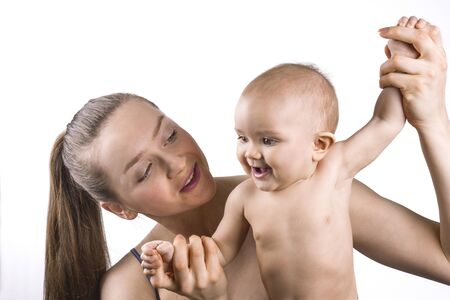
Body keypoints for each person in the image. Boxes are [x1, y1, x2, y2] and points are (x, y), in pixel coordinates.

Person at [44, 16, 450, 300]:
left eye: (169, 135)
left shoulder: (304, 187)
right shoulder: (134, 286)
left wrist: (431, 119)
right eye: (146, 170)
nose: (177, 163)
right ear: (118, 208)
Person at [140, 56, 409, 300]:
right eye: (242, 138)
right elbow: (219, 250)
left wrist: (400, 67)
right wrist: (176, 255)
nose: (251, 152)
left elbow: (386, 121)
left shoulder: (333, 171)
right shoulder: (245, 197)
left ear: (319, 146)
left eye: (268, 140)